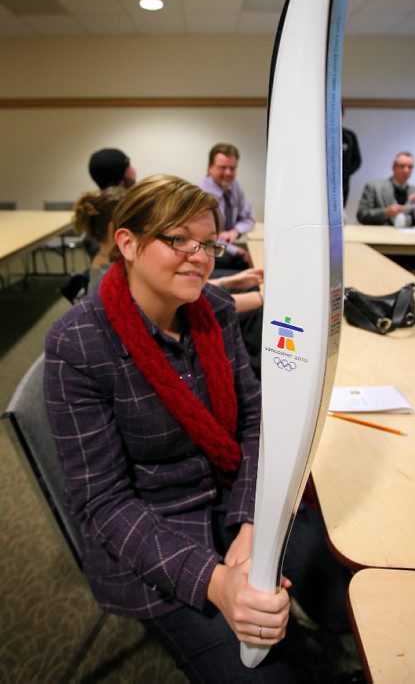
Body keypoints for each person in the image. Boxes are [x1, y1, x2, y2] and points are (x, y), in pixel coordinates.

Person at [44, 175, 349, 682]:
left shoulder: (215, 312)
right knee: (267, 674)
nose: (200, 256)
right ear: (127, 243)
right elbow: (104, 505)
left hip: (232, 497)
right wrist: (215, 583)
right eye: (177, 239)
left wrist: (252, 522)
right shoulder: (78, 345)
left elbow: (255, 421)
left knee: (346, 597)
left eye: (207, 243)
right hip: (155, 532)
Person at [72, 186, 264, 314]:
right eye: (179, 239)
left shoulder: (115, 266)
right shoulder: (108, 288)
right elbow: (189, 305)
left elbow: (177, 286)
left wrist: (227, 282)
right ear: (125, 239)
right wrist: (259, 298)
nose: (201, 258)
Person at [199, 143, 255, 273]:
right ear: (210, 168)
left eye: (232, 168)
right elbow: (204, 238)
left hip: (226, 243)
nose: (228, 173)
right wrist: (236, 251)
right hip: (209, 247)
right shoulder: (202, 195)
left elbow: (248, 218)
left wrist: (235, 231)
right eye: (223, 167)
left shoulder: (234, 187)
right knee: (242, 263)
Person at [356, 152, 415, 226]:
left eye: (410, 167)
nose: (406, 170)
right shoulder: (374, 187)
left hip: (413, 240)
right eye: (402, 166)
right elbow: (361, 215)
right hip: (382, 237)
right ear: (394, 167)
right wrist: (385, 212)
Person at [341, 106, 362, 204]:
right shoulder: (319, 134)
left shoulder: (349, 136)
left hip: (343, 183)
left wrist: (344, 173)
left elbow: (357, 161)